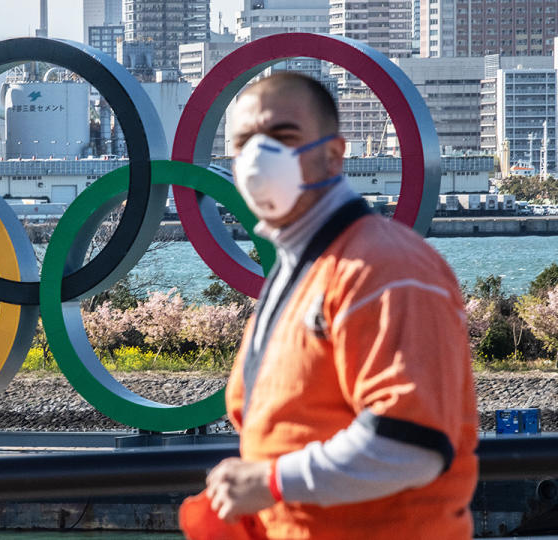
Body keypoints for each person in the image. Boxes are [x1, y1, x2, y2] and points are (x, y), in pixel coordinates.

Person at [179, 72, 478, 539]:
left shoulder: (383, 266)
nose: (259, 156)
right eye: (243, 144)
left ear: (334, 154)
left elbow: (410, 443)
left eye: (283, 136)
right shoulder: (303, 266)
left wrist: (272, 480)